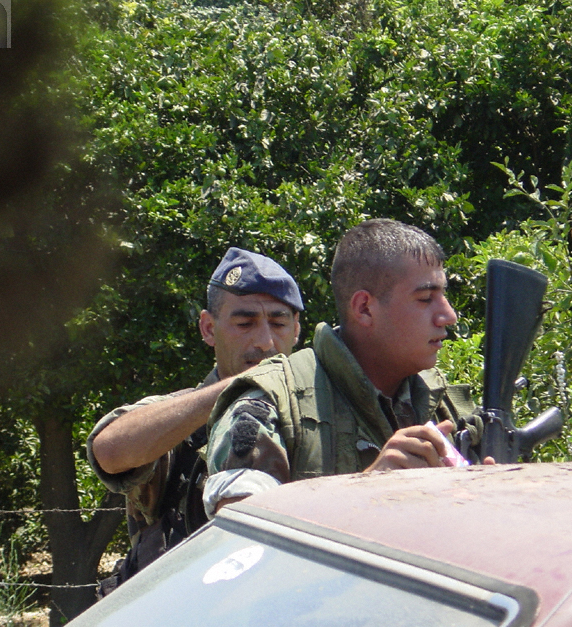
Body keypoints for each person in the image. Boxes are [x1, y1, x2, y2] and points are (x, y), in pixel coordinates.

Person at [203, 219, 486, 517]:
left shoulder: (445, 406)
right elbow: (241, 534)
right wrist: (365, 492)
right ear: (364, 308)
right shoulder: (270, 402)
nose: (448, 315)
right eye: (426, 298)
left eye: (444, 296)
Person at [86, 248, 303, 595]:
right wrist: (241, 389)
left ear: (296, 330)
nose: (265, 342)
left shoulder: (320, 415)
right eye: (245, 323)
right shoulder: (181, 415)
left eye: (278, 323)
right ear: (208, 328)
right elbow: (109, 451)